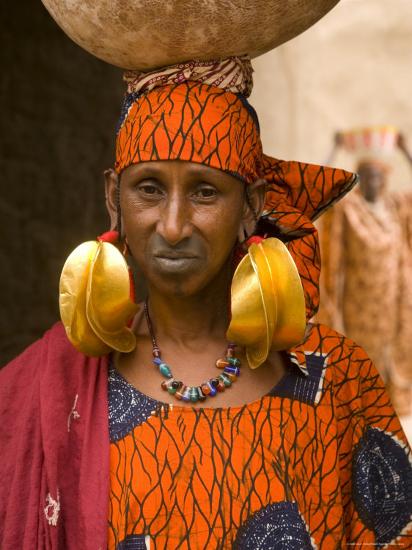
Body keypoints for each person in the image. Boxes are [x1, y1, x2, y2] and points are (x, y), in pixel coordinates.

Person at [1, 58, 411, 550]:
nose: (173, 226)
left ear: (252, 205)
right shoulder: (52, 387)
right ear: (114, 198)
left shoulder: (338, 382)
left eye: (205, 191)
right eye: (149, 188)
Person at [318, 128, 412, 416]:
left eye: (378, 176)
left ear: (385, 179)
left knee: (394, 357)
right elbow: (324, 195)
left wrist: (405, 151)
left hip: (395, 299)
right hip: (360, 304)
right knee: (364, 357)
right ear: (360, 180)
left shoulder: (396, 207)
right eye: (366, 176)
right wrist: (334, 151)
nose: (373, 181)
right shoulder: (351, 209)